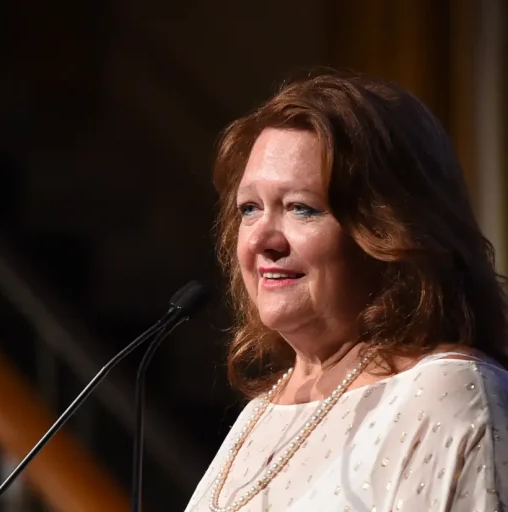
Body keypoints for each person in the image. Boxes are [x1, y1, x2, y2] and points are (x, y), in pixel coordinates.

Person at [185, 72, 508, 511]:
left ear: (391, 229)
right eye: (250, 208)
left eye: (301, 208)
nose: (262, 239)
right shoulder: (261, 412)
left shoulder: (450, 394)